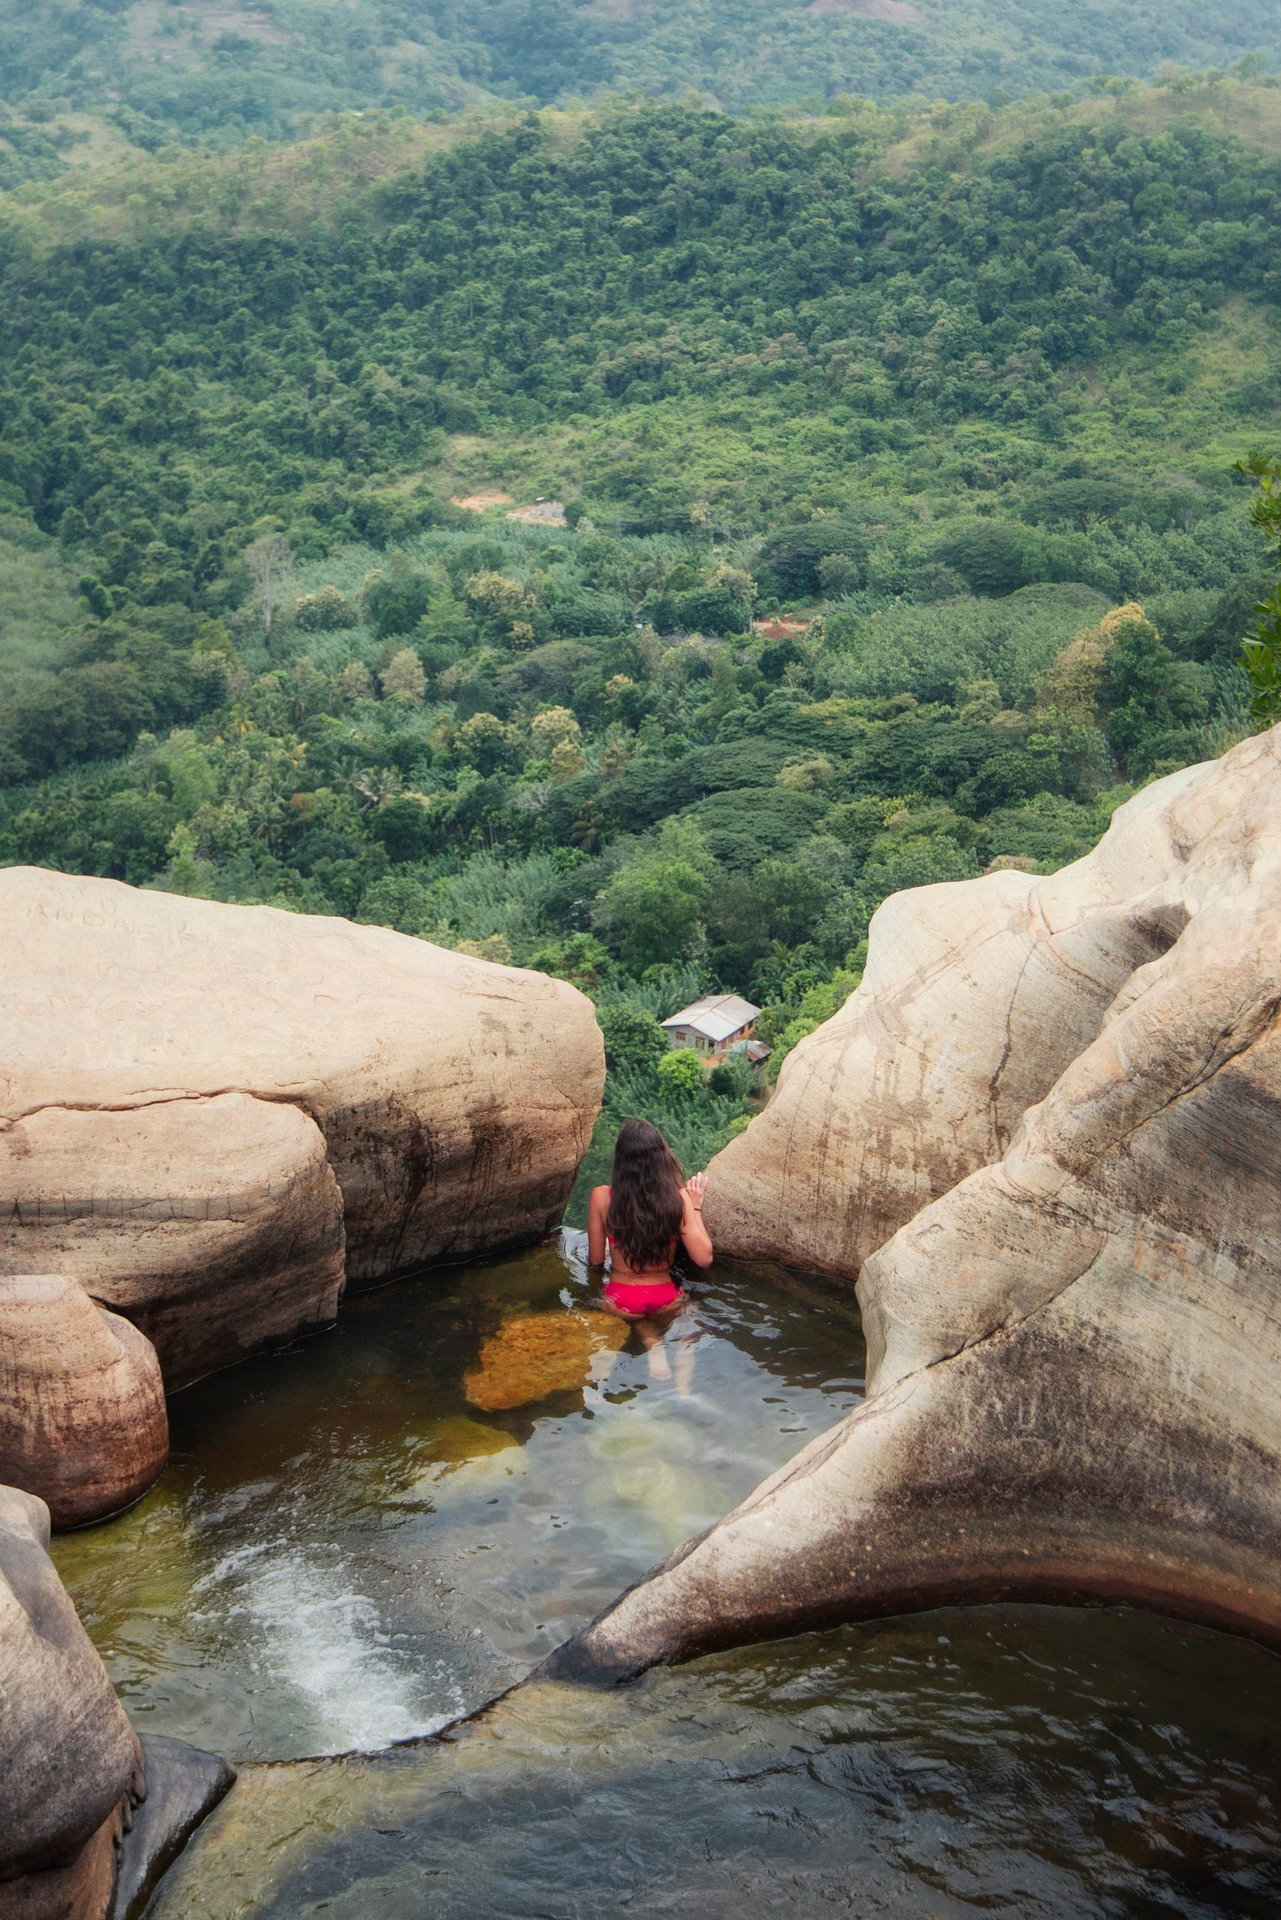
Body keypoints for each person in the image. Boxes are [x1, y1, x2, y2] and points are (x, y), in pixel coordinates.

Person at [587, 1120, 712, 1386]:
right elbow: (704, 1257)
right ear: (661, 1158)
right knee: (688, 1332)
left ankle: (646, 1341)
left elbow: (595, 1261)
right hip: (666, 1297)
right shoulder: (678, 1199)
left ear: (620, 1161)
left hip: (620, 1299)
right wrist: (695, 1206)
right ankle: (684, 1392)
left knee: (626, 1324)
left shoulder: (600, 1197)